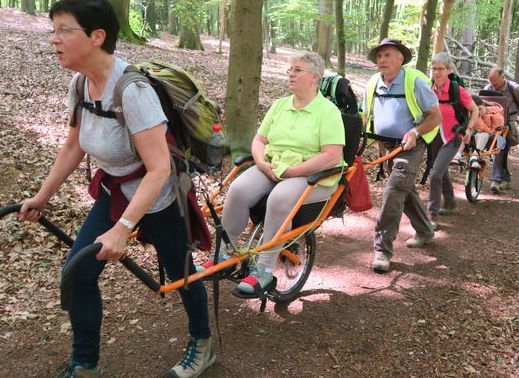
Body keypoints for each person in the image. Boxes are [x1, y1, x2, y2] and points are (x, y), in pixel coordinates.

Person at [17, 0, 213, 378]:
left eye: (63, 30)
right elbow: (73, 145)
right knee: (78, 274)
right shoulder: (81, 83)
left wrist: (123, 229)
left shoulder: (133, 92)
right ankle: (85, 364)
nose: (53, 39)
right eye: (52, 30)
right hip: (114, 193)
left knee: (181, 275)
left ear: (96, 36)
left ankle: (202, 342)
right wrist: (42, 197)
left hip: (158, 200)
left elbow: (157, 169)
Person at [198, 51, 345, 295]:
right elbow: (259, 140)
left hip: (310, 173)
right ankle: (225, 254)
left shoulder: (327, 112)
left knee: (278, 198)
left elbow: (331, 156)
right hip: (273, 166)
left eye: (298, 70)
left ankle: (264, 270)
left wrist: (293, 171)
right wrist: (262, 163)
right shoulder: (280, 105)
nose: (290, 74)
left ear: (315, 77)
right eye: (290, 69)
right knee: (238, 189)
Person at [363, 38, 442, 272]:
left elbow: (435, 116)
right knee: (405, 191)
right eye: (379, 56)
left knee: (394, 191)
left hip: (412, 145)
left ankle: (382, 251)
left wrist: (415, 132)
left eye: (388, 55)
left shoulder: (415, 80)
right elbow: (366, 115)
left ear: (401, 58)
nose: (382, 60)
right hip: (388, 147)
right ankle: (426, 230)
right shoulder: (373, 82)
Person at [427, 52, 478, 229]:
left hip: (453, 137)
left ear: (449, 70)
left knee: (435, 173)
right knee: (440, 170)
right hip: (433, 136)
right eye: (434, 68)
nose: (436, 72)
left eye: (440, 69)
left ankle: (431, 216)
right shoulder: (428, 88)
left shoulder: (457, 90)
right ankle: (450, 202)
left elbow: (475, 110)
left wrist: (469, 130)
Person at [484, 66, 519, 193]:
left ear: (502, 78)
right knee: (501, 147)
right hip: (493, 120)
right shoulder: (488, 89)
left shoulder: (513, 88)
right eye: (491, 82)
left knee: (501, 144)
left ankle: (496, 179)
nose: (493, 85)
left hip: (510, 119)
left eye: (496, 83)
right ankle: (505, 178)